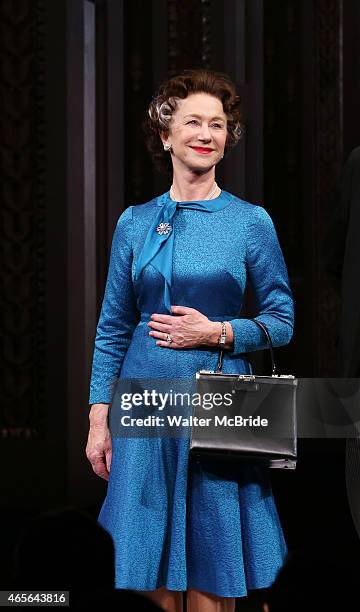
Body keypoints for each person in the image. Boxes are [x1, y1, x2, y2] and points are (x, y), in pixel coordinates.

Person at [86, 69, 294, 612]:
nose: (207, 133)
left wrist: (217, 331)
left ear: (229, 138)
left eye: (218, 124)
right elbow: (111, 326)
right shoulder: (134, 223)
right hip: (145, 405)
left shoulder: (251, 222)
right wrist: (97, 418)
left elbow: (282, 319)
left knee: (212, 565)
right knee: (142, 559)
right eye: (194, 122)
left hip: (221, 402)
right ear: (166, 135)